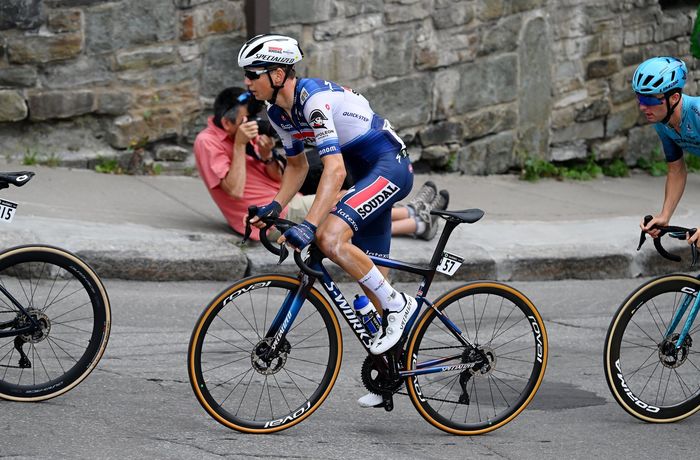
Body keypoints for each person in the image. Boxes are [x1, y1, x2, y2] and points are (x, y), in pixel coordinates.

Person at [240, 34, 445, 408]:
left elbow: (333, 171)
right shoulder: (277, 113)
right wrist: (274, 207)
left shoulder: (313, 101)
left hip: (389, 166)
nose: (247, 82)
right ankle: (392, 371)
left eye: (253, 73)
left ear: (279, 73)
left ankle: (401, 307)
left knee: (330, 237)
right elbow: (299, 166)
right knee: (371, 285)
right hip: (365, 174)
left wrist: (309, 224)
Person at [194, 86, 449, 242]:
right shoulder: (208, 142)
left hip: (280, 202)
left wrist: (267, 155)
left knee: (347, 211)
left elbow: (277, 176)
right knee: (345, 203)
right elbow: (235, 189)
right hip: (267, 219)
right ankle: (416, 215)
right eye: (245, 118)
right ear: (227, 123)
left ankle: (418, 217)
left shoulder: (239, 135)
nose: (252, 122)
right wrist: (239, 146)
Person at [635, 57, 700, 244]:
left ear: (674, 98)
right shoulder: (663, 124)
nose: (642, 106)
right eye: (640, 98)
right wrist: (665, 215)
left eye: (649, 99)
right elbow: (676, 169)